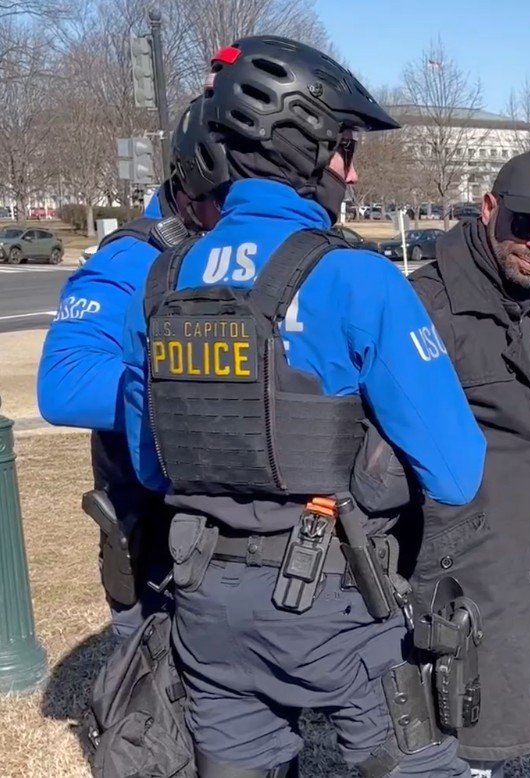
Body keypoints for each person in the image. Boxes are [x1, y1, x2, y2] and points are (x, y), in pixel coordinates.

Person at [121, 36, 485, 777]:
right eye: (347, 147)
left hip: (206, 603)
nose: (353, 170)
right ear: (306, 144)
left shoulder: (162, 279)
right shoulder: (355, 277)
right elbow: (456, 471)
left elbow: (150, 464)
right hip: (336, 602)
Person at [359, 151, 530, 777]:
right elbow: (373, 460)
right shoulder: (428, 305)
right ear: (489, 209)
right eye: (524, 224)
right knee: (450, 749)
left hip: (519, 569)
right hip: (454, 579)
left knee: (486, 747)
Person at [36, 95, 226, 639]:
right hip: (155, 543)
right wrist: (197, 386)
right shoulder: (133, 256)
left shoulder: (226, 249)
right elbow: (64, 382)